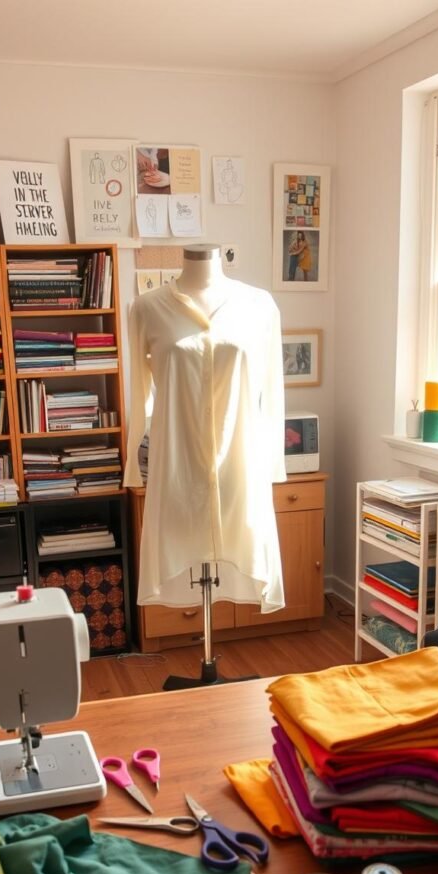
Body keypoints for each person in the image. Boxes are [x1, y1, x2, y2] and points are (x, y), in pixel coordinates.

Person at [123, 243, 286, 615]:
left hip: (239, 469)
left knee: (239, 544)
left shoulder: (259, 307)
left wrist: (273, 465)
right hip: (179, 472)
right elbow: (138, 395)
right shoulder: (147, 308)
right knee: (181, 547)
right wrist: (134, 465)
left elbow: (273, 393)